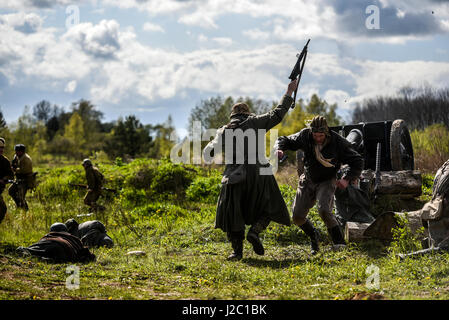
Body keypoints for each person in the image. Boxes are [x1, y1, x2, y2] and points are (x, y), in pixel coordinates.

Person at [204, 79, 298, 261]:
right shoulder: (255, 122)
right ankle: (255, 231)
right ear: (247, 113)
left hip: (234, 176)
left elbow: (209, 153)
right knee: (270, 206)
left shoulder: (224, 130)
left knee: (233, 212)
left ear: (232, 115)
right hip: (259, 173)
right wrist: (289, 92)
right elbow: (278, 114)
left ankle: (236, 252)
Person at [275, 116, 364, 254]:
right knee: (297, 216)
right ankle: (314, 237)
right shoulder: (305, 135)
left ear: (326, 133)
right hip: (308, 179)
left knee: (324, 210)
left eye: (320, 135)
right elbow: (285, 140)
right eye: (315, 135)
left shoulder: (337, 142)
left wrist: (346, 179)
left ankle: (339, 244)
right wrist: (280, 149)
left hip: (327, 180)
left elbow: (357, 160)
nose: (317, 138)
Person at [16, 225, 96, 263]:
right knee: (60, 259)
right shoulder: (73, 238)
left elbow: (39, 243)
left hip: (47, 243)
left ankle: (27, 251)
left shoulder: (49, 235)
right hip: (64, 248)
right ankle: (51, 260)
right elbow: (84, 252)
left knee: (34, 250)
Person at [9, 144, 35, 211]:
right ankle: (19, 205)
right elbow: (14, 164)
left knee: (21, 196)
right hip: (18, 179)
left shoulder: (27, 159)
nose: (16, 152)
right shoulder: (17, 156)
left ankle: (25, 210)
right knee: (11, 191)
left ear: (22, 151)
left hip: (25, 180)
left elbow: (24, 171)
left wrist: (15, 169)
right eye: (16, 151)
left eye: (18, 151)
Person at [0, 138, 14, 223]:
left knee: (2, 209)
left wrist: (4, 179)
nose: (1, 150)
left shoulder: (5, 161)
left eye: (2, 148)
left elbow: (11, 175)